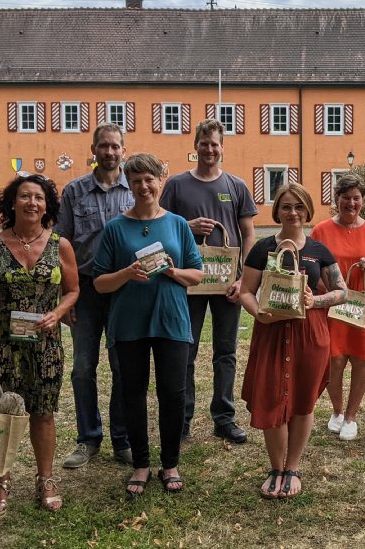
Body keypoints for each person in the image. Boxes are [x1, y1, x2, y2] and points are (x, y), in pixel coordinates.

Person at [93, 153, 203, 495]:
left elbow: (197, 275)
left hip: (171, 321)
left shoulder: (178, 224)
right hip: (129, 324)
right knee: (132, 394)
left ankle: (169, 464)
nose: (144, 186)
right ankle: (141, 464)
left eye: (149, 179)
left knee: (173, 393)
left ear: (161, 181)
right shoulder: (115, 228)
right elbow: (99, 282)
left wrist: (171, 270)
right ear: (130, 184)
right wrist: (127, 273)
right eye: (136, 180)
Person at [0, 174, 79, 518]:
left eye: (38, 197)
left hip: (45, 346)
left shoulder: (60, 245)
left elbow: (73, 290)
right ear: (12, 202)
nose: (31, 202)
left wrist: (58, 313)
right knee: (3, 415)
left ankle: (45, 479)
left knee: (43, 412)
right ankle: (1, 481)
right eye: (24, 196)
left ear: (47, 205)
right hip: (5, 346)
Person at [239, 183, 347, 499]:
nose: (293, 213)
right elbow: (246, 291)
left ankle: (292, 468)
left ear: (308, 211)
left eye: (299, 206)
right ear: (277, 211)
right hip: (271, 332)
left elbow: (341, 291)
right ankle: (276, 467)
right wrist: (258, 313)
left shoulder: (319, 250)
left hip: (309, 335)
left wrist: (318, 301)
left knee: (302, 399)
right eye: (286, 206)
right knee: (272, 395)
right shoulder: (262, 248)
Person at [160, 118, 258, 444]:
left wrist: (244, 277)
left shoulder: (236, 186)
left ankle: (224, 418)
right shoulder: (176, 185)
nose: (209, 149)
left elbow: (248, 234)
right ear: (195, 146)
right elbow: (162, 226)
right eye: (204, 144)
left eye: (215, 144)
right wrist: (187, 225)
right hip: (190, 282)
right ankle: (183, 419)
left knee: (226, 352)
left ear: (222, 148)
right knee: (184, 350)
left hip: (227, 283)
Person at [55, 123, 134, 470]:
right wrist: (65, 295)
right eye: (103, 146)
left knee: (122, 367)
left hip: (124, 291)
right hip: (85, 290)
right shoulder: (74, 191)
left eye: (115, 146)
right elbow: (62, 244)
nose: (109, 152)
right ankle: (88, 438)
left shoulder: (135, 190)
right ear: (94, 149)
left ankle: (122, 439)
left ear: (123, 150)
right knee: (83, 368)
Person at [309, 173, 365, 441]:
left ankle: (352, 416)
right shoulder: (321, 230)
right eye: (346, 198)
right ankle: (336, 411)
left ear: (363, 201)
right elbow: (311, 265)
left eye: (356, 198)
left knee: (362, 358)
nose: (351, 203)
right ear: (337, 200)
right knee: (334, 358)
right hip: (333, 303)